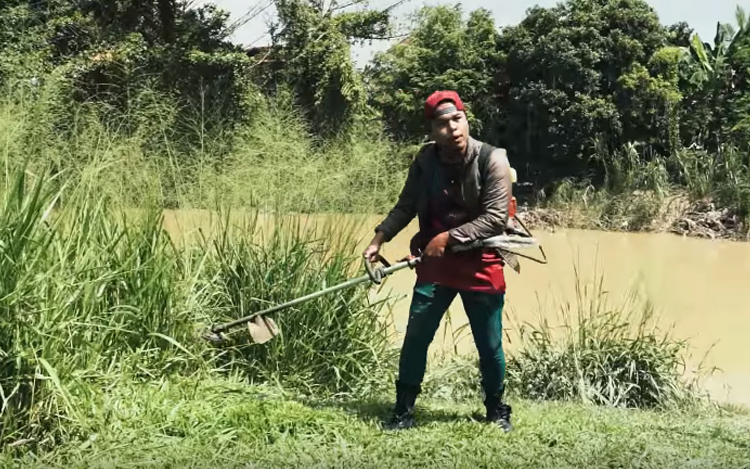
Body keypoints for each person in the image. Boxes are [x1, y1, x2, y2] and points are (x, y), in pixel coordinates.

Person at [363, 90, 515, 432]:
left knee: (488, 343)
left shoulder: (492, 159)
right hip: (434, 261)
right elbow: (406, 204)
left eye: (457, 120)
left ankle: (496, 409)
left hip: (481, 260)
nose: (453, 129)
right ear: (432, 130)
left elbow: (495, 218)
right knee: (416, 335)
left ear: (466, 119)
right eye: (443, 124)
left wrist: (446, 238)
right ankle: (403, 411)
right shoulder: (425, 160)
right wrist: (379, 238)